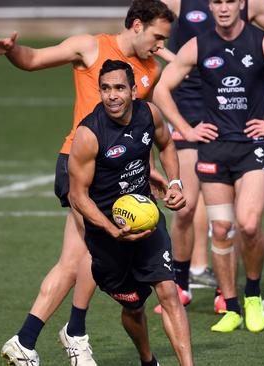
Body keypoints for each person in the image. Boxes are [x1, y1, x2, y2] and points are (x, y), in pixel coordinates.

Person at [0, 1, 175, 365]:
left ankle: (28, 340)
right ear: (137, 25)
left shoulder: (152, 69)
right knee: (93, 250)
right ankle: (74, 333)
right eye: (157, 36)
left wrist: (146, 168)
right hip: (79, 167)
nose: (160, 45)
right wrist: (13, 52)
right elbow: (34, 59)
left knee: (74, 260)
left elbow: (141, 127)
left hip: (119, 175)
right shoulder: (90, 46)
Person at [154, 0, 264, 333]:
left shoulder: (262, 42)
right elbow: (161, 90)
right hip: (213, 149)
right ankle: (230, 307)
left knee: (250, 225)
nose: (224, 8)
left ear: (241, 4)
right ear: (211, 7)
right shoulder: (198, 45)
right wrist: (186, 129)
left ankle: (253, 295)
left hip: (251, 147)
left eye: (230, 1)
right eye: (217, 2)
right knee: (223, 228)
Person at [69, 59, 191, 366]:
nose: (112, 95)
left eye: (120, 88)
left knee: (168, 292)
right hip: (108, 236)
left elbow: (166, 145)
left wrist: (175, 182)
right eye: (106, 88)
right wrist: (111, 230)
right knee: (134, 307)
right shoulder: (89, 134)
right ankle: (147, 360)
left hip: (148, 220)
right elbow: (77, 196)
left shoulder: (149, 114)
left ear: (134, 91)